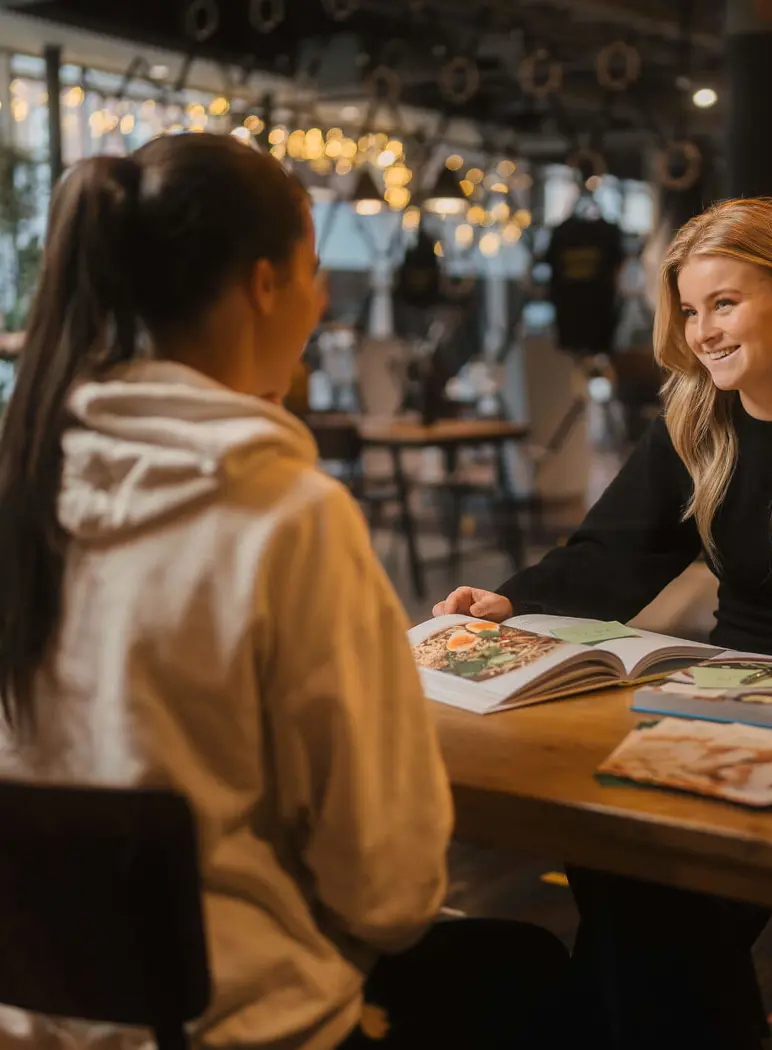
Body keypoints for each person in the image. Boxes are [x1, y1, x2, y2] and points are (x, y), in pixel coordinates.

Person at [0, 133, 565, 1050]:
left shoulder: (23, 479)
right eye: (312, 267)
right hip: (232, 1026)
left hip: (34, 1019)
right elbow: (388, 892)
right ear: (264, 285)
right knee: (535, 981)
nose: (324, 295)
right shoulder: (287, 515)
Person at [434, 197, 772, 1049]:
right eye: (688, 308)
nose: (701, 330)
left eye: (724, 303)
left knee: (643, 887)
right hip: (725, 692)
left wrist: (766, 713)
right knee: (620, 857)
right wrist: (511, 602)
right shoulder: (696, 419)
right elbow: (613, 553)